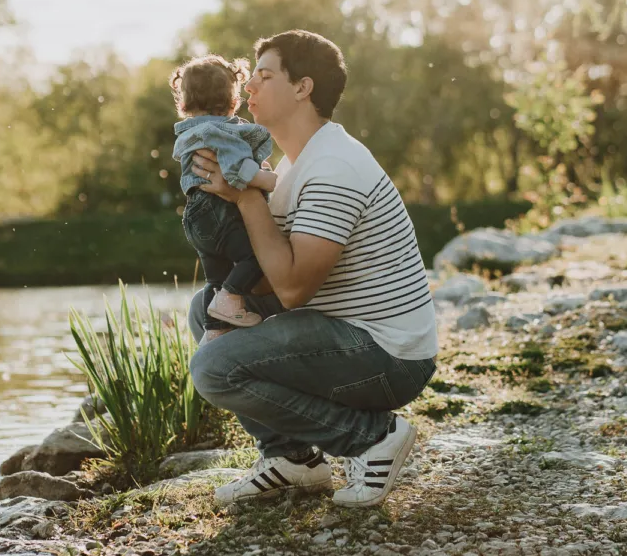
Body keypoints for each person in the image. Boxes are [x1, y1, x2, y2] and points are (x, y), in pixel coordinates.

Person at [188, 30, 438, 509]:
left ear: (303, 88)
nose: (249, 88)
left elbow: (293, 288)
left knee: (213, 368)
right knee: (208, 309)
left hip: (389, 355)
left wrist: (243, 196)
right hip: (346, 332)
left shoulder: (333, 167)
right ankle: (293, 460)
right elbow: (266, 274)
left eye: (264, 75)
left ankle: (371, 437)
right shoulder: (294, 165)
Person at [171, 55, 275, 343]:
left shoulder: (190, 132)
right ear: (234, 102)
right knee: (256, 256)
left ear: (183, 105)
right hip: (220, 213)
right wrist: (268, 179)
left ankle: (215, 330)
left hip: (195, 216)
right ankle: (230, 300)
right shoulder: (223, 132)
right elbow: (234, 169)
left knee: (215, 280)